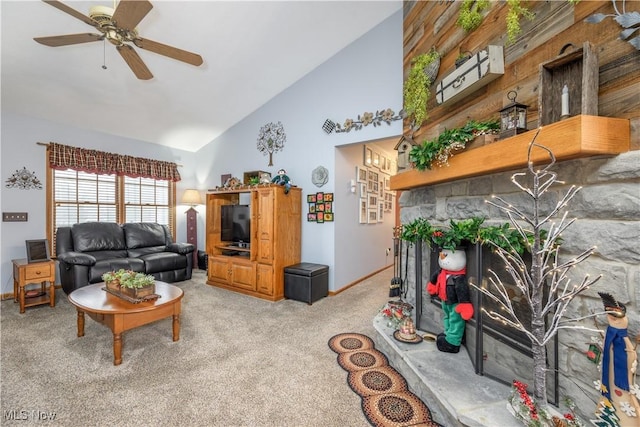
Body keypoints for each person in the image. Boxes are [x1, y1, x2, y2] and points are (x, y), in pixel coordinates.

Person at [595, 292, 640, 425]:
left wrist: (632, 355)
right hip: (609, 380)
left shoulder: (622, 338)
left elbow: (631, 355)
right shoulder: (609, 336)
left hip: (622, 384)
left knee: (624, 397)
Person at [426, 248, 473, 353]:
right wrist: (432, 287)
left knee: (456, 320)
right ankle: (448, 334)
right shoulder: (442, 272)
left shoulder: (459, 278)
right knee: (447, 317)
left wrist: (465, 305)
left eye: (445, 256)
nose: (443, 259)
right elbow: (434, 280)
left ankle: (453, 342)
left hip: (455, 303)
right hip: (445, 299)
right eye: (442, 256)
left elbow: (462, 290)